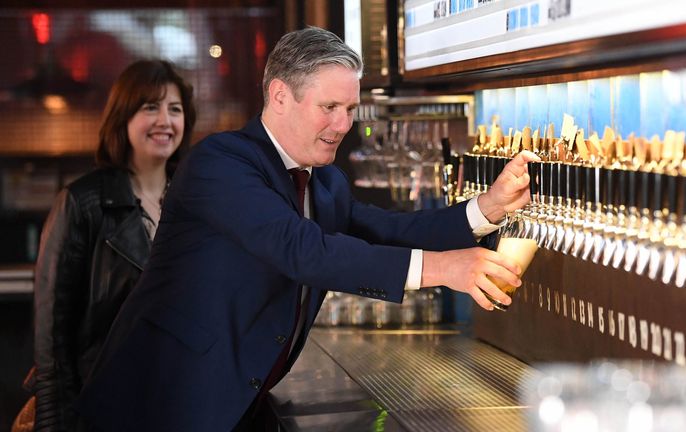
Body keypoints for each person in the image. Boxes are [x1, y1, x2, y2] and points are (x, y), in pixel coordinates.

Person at [76, 27, 538, 431]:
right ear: (280, 95)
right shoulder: (221, 163)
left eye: (350, 108)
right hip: (158, 406)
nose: (343, 125)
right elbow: (301, 249)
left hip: (236, 403)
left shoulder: (326, 182)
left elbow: (390, 231)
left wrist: (488, 208)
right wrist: (446, 269)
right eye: (330, 106)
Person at [21, 59, 196, 432]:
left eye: (175, 109)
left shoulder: (196, 201)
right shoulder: (82, 202)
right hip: (106, 409)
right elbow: (52, 342)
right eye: (151, 107)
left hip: (182, 402)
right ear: (123, 116)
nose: (165, 120)